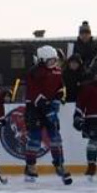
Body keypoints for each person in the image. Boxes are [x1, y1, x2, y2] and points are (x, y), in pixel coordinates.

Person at [23, 45, 70, 183]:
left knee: (55, 138)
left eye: (55, 60)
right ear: (42, 60)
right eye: (50, 60)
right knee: (35, 139)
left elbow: (61, 88)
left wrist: (58, 99)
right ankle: (30, 166)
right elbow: (33, 92)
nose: (53, 63)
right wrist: (46, 108)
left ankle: (59, 164)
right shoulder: (34, 72)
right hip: (35, 110)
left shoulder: (57, 71)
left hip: (50, 108)